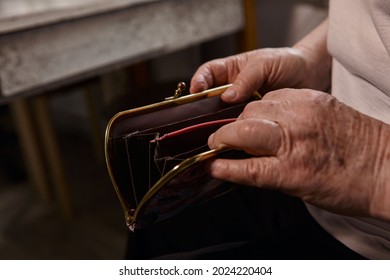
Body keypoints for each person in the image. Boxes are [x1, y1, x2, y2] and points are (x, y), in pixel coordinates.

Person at [188, 0, 390, 259]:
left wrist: (375, 162)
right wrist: (313, 59)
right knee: (162, 223)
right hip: (317, 200)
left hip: (372, 245)